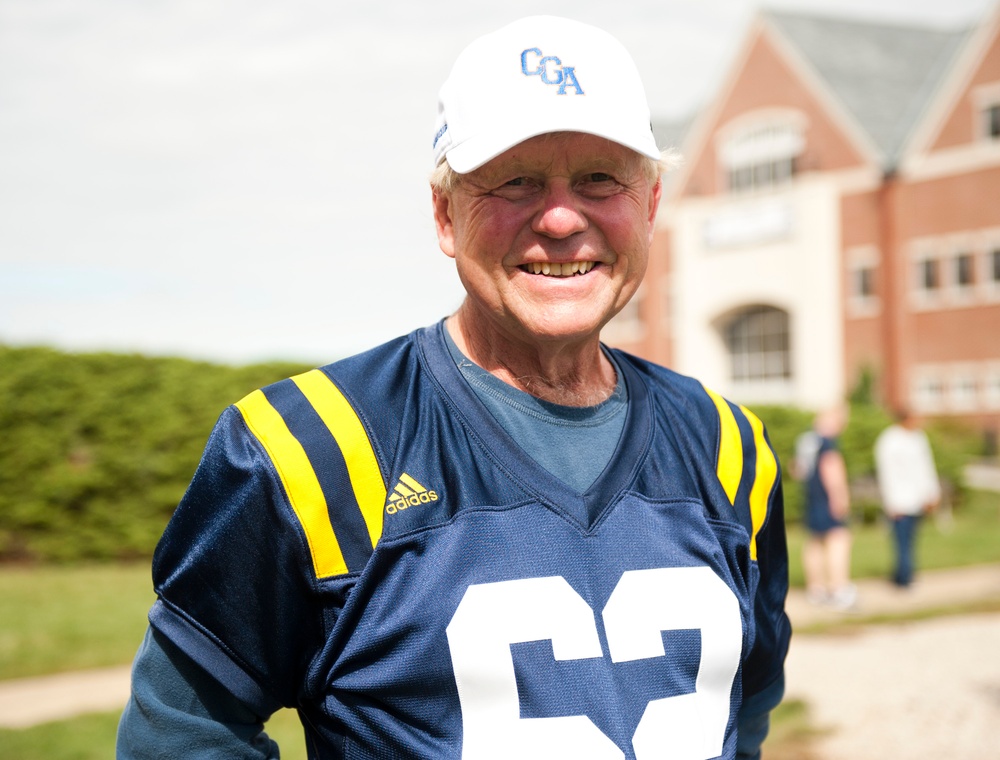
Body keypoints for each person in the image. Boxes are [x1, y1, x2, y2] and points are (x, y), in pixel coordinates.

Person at [116, 16, 790, 760]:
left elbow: (744, 713)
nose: (562, 217)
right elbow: (181, 734)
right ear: (445, 214)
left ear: (651, 204)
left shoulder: (729, 447)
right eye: (516, 181)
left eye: (600, 177)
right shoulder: (312, 448)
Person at [794, 406, 855, 609]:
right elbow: (831, 469)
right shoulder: (827, 443)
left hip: (812, 499)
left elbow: (798, 471)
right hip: (827, 499)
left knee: (815, 543)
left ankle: (816, 589)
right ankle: (839, 589)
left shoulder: (806, 441)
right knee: (839, 540)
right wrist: (840, 497)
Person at [874, 408, 941, 588]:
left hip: (918, 499)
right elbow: (886, 473)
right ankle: (903, 577)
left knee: (912, 539)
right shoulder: (889, 440)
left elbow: (926, 467)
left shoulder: (919, 438)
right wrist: (891, 503)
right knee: (901, 540)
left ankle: (907, 573)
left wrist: (932, 493)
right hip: (900, 501)